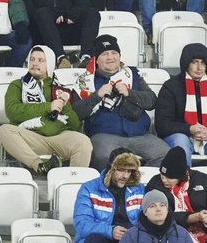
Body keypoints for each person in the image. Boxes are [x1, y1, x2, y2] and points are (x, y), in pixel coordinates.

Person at [71, 36, 169, 170]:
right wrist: (97, 96)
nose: (110, 57)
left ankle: (138, 183)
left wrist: (130, 93)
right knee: (104, 156)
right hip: (104, 135)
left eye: (114, 53)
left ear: (119, 56)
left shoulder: (132, 75)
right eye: (105, 54)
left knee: (166, 155)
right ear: (97, 60)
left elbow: (152, 101)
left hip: (139, 135)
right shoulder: (85, 81)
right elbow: (76, 113)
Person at [0, 44, 93, 173]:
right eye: (32, 59)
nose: (35, 63)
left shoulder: (61, 89)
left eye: (40, 60)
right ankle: (40, 166)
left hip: (58, 137)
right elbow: (12, 111)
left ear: (50, 64)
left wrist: (65, 108)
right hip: (31, 137)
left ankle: (73, 184)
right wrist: (48, 106)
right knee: (5, 130)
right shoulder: (17, 85)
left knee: (83, 141)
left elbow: (75, 126)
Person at [155, 43, 207, 172]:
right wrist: (189, 129)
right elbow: (162, 124)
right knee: (180, 140)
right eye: (194, 62)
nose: (199, 68)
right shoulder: (170, 87)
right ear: (186, 63)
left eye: (203, 63)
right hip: (181, 137)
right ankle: (183, 185)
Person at [146, 146, 207, 243]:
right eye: (162, 175)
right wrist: (194, 217)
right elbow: (159, 217)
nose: (164, 180)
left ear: (181, 175)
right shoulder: (155, 184)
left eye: (169, 177)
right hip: (174, 235)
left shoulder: (204, 181)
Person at [72, 148, 145, 243]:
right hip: (100, 238)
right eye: (121, 170)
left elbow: (148, 221)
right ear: (110, 170)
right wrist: (110, 231)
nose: (125, 176)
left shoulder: (139, 189)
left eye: (129, 171)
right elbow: (82, 225)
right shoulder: (89, 189)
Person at [121, 190, 192, 243]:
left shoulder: (182, 234)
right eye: (152, 206)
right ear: (145, 212)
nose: (158, 209)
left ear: (167, 209)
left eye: (162, 205)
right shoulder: (131, 236)